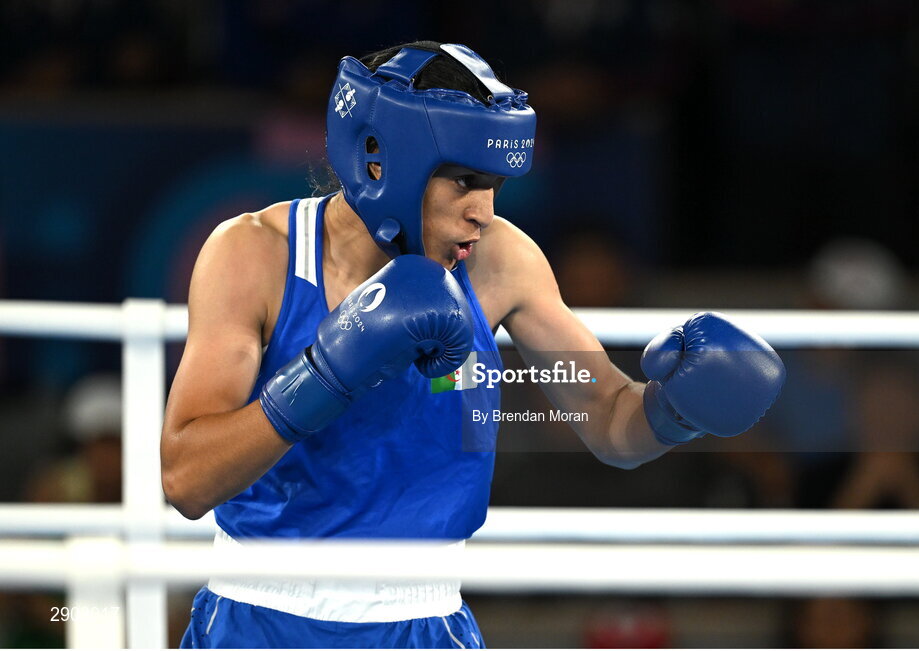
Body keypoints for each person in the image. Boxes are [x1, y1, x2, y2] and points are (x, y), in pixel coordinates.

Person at [161, 41, 786, 649]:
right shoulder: (256, 255)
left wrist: (674, 411)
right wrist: (324, 375)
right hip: (261, 618)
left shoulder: (501, 262)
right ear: (379, 161)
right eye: (463, 182)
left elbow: (611, 421)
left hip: (426, 622)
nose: (482, 212)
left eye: (494, 185)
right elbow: (187, 480)